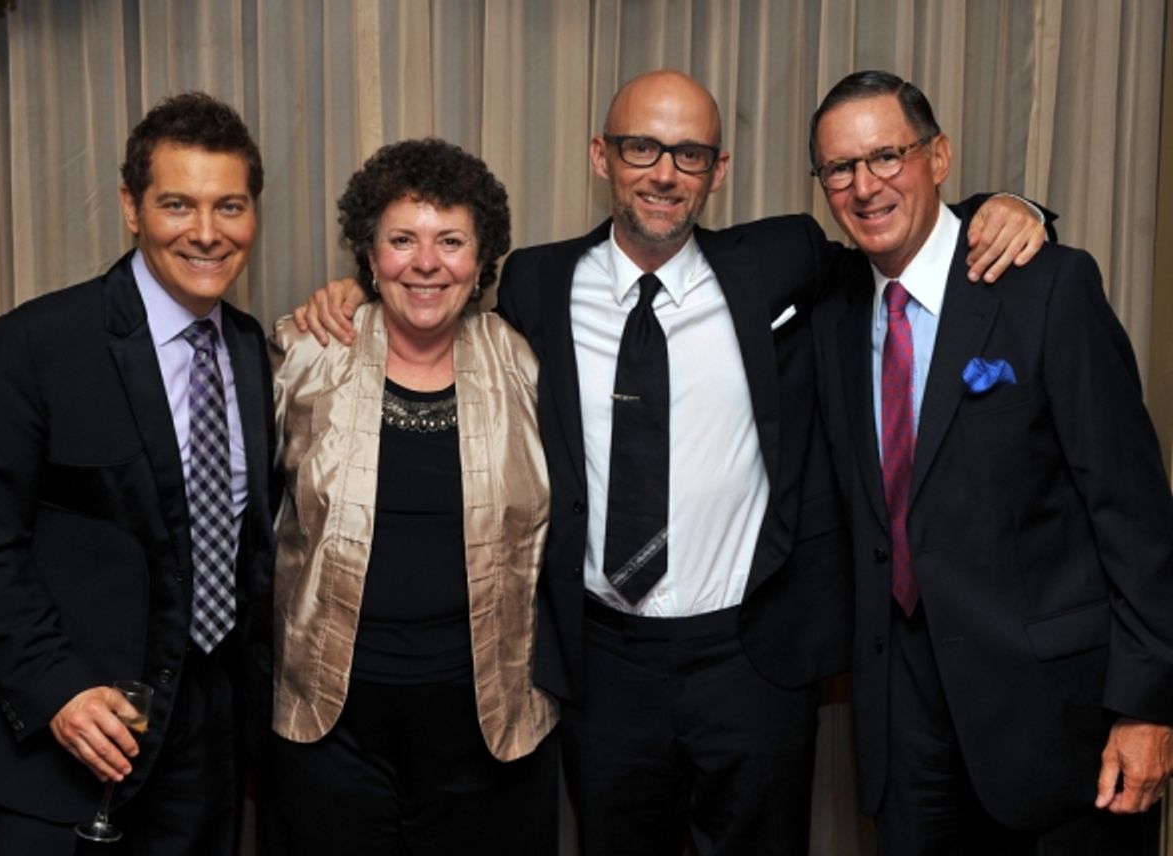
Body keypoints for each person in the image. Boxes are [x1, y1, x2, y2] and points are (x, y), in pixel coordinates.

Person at [295, 70, 1046, 855]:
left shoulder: (781, 259)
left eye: (689, 154)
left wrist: (1015, 210)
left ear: (719, 171)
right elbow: (432, 296)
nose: (664, 172)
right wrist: (355, 297)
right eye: (642, 147)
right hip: (604, 661)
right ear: (601, 156)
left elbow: (901, 230)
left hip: (753, 657)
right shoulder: (536, 283)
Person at [809, 70, 1173, 855]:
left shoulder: (1047, 287)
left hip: (1058, 726)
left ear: (939, 156)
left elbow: (1134, 513)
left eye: (886, 157)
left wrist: (1150, 706)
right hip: (904, 729)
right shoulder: (834, 312)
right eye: (840, 168)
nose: (864, 186)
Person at [0, 92, 276, 854]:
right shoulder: (33, 346)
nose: (206, 233)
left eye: (229, 206)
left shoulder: (250, 351)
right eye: (178, 204)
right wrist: (59, 689)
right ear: (131, 208)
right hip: (65, 745)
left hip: (204, 749)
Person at [258, 138, 558, 856]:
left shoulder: (525, 361)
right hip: (330, 728)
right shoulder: (304, 354)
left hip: (488, 725)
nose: (426, 263)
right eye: (402, 241)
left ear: (482, 261)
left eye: (450, 241)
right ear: (369, 255)